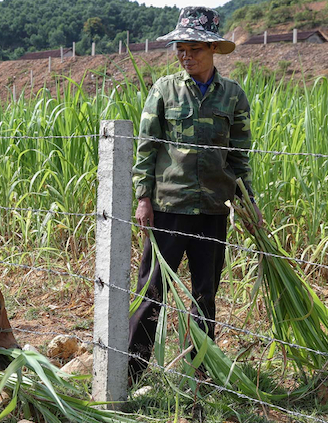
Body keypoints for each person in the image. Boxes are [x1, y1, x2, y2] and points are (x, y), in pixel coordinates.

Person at [128, 6, 263, 384]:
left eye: (194, 50)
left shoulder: (233, 96)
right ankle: (133, 370)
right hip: (168, 207)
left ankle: (199, 370)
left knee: (205, 293)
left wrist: (246, 199)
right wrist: (143, 197)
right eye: (181, 50)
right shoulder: (164, 90)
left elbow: (239, 155)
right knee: (151, 290)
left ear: (213, 50)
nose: (186, 56)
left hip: (212, 210)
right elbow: (146, 148)